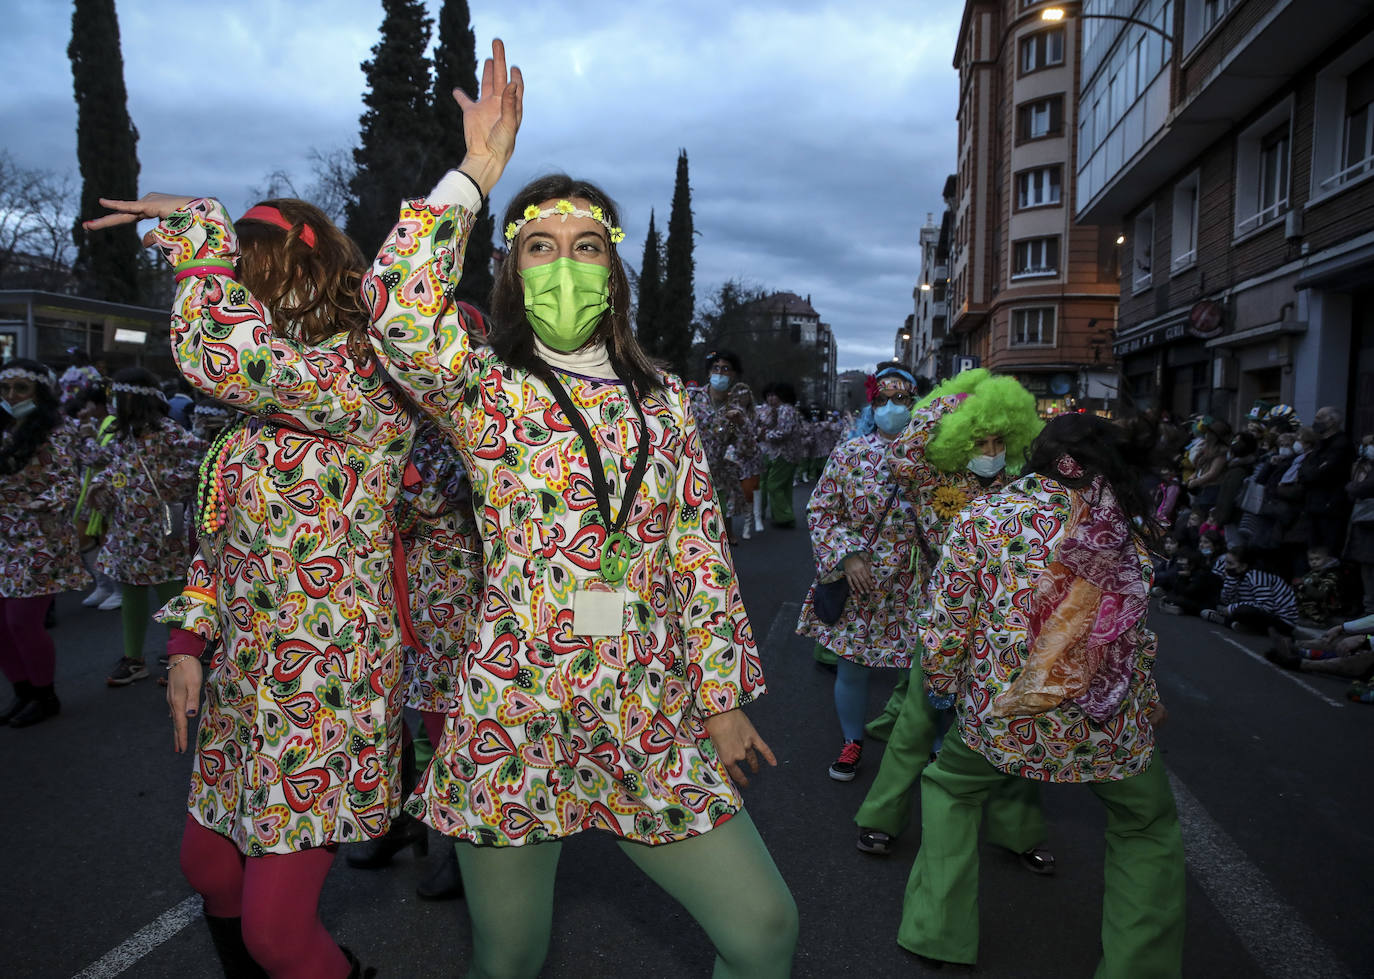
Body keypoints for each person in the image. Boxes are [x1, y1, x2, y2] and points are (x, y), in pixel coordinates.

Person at [80, 46, 520, 966]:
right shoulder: (249, 428)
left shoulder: (362, 383)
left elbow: (222, 353)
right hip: (246, 685)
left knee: (283, 931)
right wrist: (190, 645)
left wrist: (199, 235)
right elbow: (219, 547)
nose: (233, 285)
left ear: (298, 275)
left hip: (327, 693)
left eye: (250, 269)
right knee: (209, 866)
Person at [367, 43, 797, 979]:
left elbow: (699, 554)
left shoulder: (666, 401)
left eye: (587, 247)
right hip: (512, 713)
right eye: (540, 248)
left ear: (615, 271)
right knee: (508, 960)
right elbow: (396, 313)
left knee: (765, 931)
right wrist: (477, 175)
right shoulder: (483, 389)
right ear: (514, 272)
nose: (566, 267)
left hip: (647, 707)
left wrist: (720, 702)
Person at [899, 413, 1184, 974]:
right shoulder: (1125, 527)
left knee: (951, 788)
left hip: (1000, 715)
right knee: (1146, 824)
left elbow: (949, 621)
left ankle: (939, 932)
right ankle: (1139, 967)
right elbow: (1131, 634)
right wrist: (1146, 697)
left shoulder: (988, 515)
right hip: (1106, 722)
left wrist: (940, 684)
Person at [851, 369, 1049, 868]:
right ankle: (881, 818)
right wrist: (950, 402)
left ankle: (1019, 834)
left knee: (1012, 726)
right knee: (918, 721)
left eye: (997, 439)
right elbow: (902, 453)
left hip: (1009, 627)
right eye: (978, 438)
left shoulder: (1022, 484)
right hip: (945, 617)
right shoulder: (931, 476)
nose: (989, 448)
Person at [796, 366, 923, 782]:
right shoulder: (849, 454)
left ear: (915, 402)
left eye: (901, 400)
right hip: (860, 583)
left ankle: (932, 745)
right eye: (882, 400)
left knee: (925, 670)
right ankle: (852, 742)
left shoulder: (936, 455)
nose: (891, 408)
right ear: (872, 405)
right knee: (852, 666)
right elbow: (821, 510)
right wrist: (847, 556)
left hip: (917, 582)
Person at [85, 368, 204, 687]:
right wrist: (101, 485)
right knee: (133, 591)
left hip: (161, 530)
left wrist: (168, 484)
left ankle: (180, 656)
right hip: (128, 532)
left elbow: (199, 463)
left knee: (171, 594)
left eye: (118, 398)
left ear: (133, 400)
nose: (114, 405)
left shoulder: (168, 431)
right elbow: (113, 469)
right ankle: (134, 657)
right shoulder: (125, 434)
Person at [0, 360, 90, 727]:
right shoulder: (6, 427)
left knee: (22, 621)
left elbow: (68, 483)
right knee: (2, 624)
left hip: (40, 538)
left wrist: (32, 506)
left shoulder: (57, 430)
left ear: (39, 391)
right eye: (6, 388)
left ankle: (45, 694)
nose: (11, 396)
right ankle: (23, 692)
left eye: (21, 388)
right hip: (5, 538)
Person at [688, 349, 757, 544]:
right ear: (708, 372)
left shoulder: (736, 408)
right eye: (715, 368)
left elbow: (746, 447)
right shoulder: (691, 397)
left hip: (720, 469)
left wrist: (739, 423)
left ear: (733, 374)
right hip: (691, 466)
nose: (719, 373)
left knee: (720, 508)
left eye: (725, 369)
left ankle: (725, 536)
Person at [1201, 544, 1298, 636]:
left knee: (1241, 611)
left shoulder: (1257, 576)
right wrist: (1231, 579)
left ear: (1243, 566)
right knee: (1216, 601)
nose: (1226, 567)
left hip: (1282, 621)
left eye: (1230, 563)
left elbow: (1265, 607)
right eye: (1226, 562)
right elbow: (1227, 600)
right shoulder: (1237, 574)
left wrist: (1232, 608)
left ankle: (1224, 621)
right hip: (1263, 614)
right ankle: (1237, 624)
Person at [1300, 405, 1354, 553]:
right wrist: (1311, 471)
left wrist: (1312, 472)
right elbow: (1304, 469)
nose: (1315, 421)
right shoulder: (1320, 444)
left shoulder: (1341, 444)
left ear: (1331, 421)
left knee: (1328, 551)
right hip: (1314, 505)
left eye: (1319, 418)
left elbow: (1322, 473)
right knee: (1313, 550)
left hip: (1330, 507)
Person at [758, 381, 802, 527]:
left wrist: (766, 436)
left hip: (784, 453)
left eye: (774, 395)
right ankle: (785, 515)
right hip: (791, 453)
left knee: (773, 485)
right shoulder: (788, 410)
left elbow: (784, 432)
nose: (771, 399)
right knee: (785, 486)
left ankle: (784, 517)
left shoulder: (786, 410)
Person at [724, 381, 764, 541]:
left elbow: (760, 431)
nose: (743, 398)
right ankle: (733, 526)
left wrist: (759, 436)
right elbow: (731, 432)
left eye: (746, 395)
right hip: (737, 457)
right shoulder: (732, 413)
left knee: (752, 489)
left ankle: (752, 521)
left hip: (753, 456)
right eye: (739, 395)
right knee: (738, 491)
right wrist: (734, 429)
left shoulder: (756, 414)